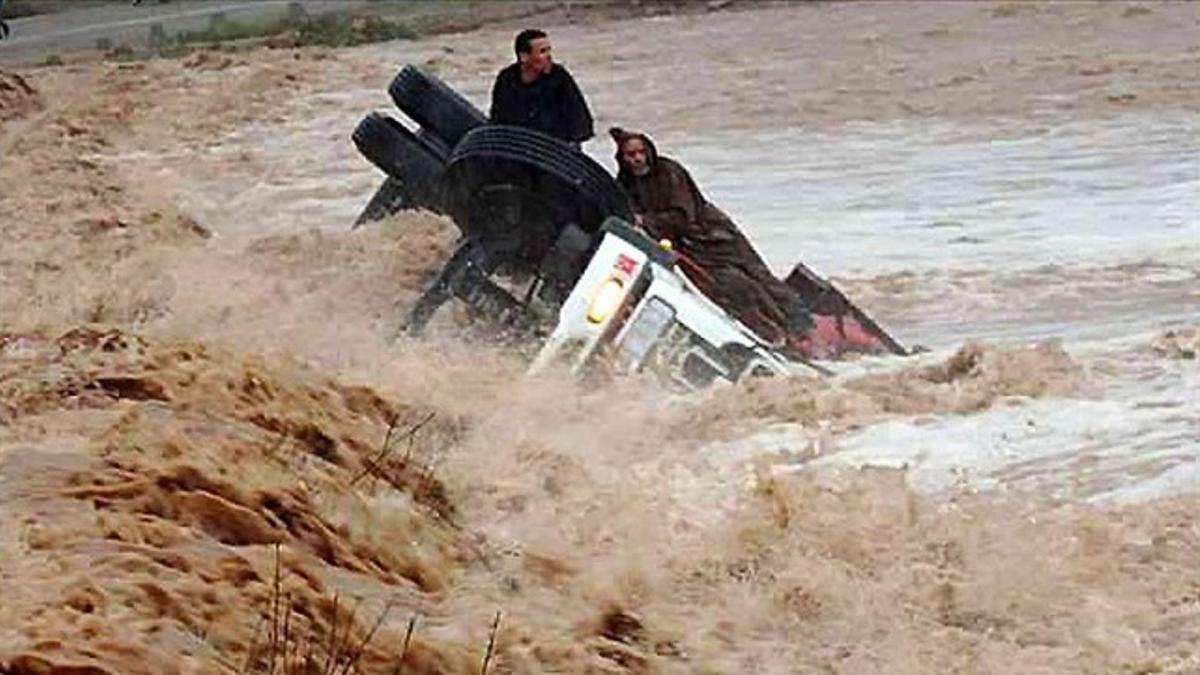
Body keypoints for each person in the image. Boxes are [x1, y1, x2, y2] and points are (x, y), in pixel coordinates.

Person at [610, 127, 818, 353]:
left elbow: (683, 215)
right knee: (732, 287)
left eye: (641, 152)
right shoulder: (625, 183)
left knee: (759, 276)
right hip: (687, 249)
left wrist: (647, 220)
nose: (638, 159)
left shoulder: (670, 172)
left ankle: (803, 327)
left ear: (649, 151)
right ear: (623, 159)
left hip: (713, 235)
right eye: (631, 155)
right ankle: (772, 334)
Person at [489, 29, 594, 147]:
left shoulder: (559, 77)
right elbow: (498, 118)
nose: (549, 56)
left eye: (549, 50)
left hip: (555, 147)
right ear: (524, 56)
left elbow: (578, 118)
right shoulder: (507, 79)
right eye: (542, 51)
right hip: (519, 146)